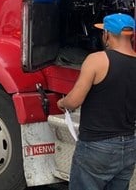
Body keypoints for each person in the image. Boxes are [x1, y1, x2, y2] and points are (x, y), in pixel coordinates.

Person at [57, 13, 136, 190]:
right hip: (130, 145)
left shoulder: (97, 60)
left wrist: (62, 104)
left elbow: (74, 101)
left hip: (97, 146)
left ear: (107, 34)